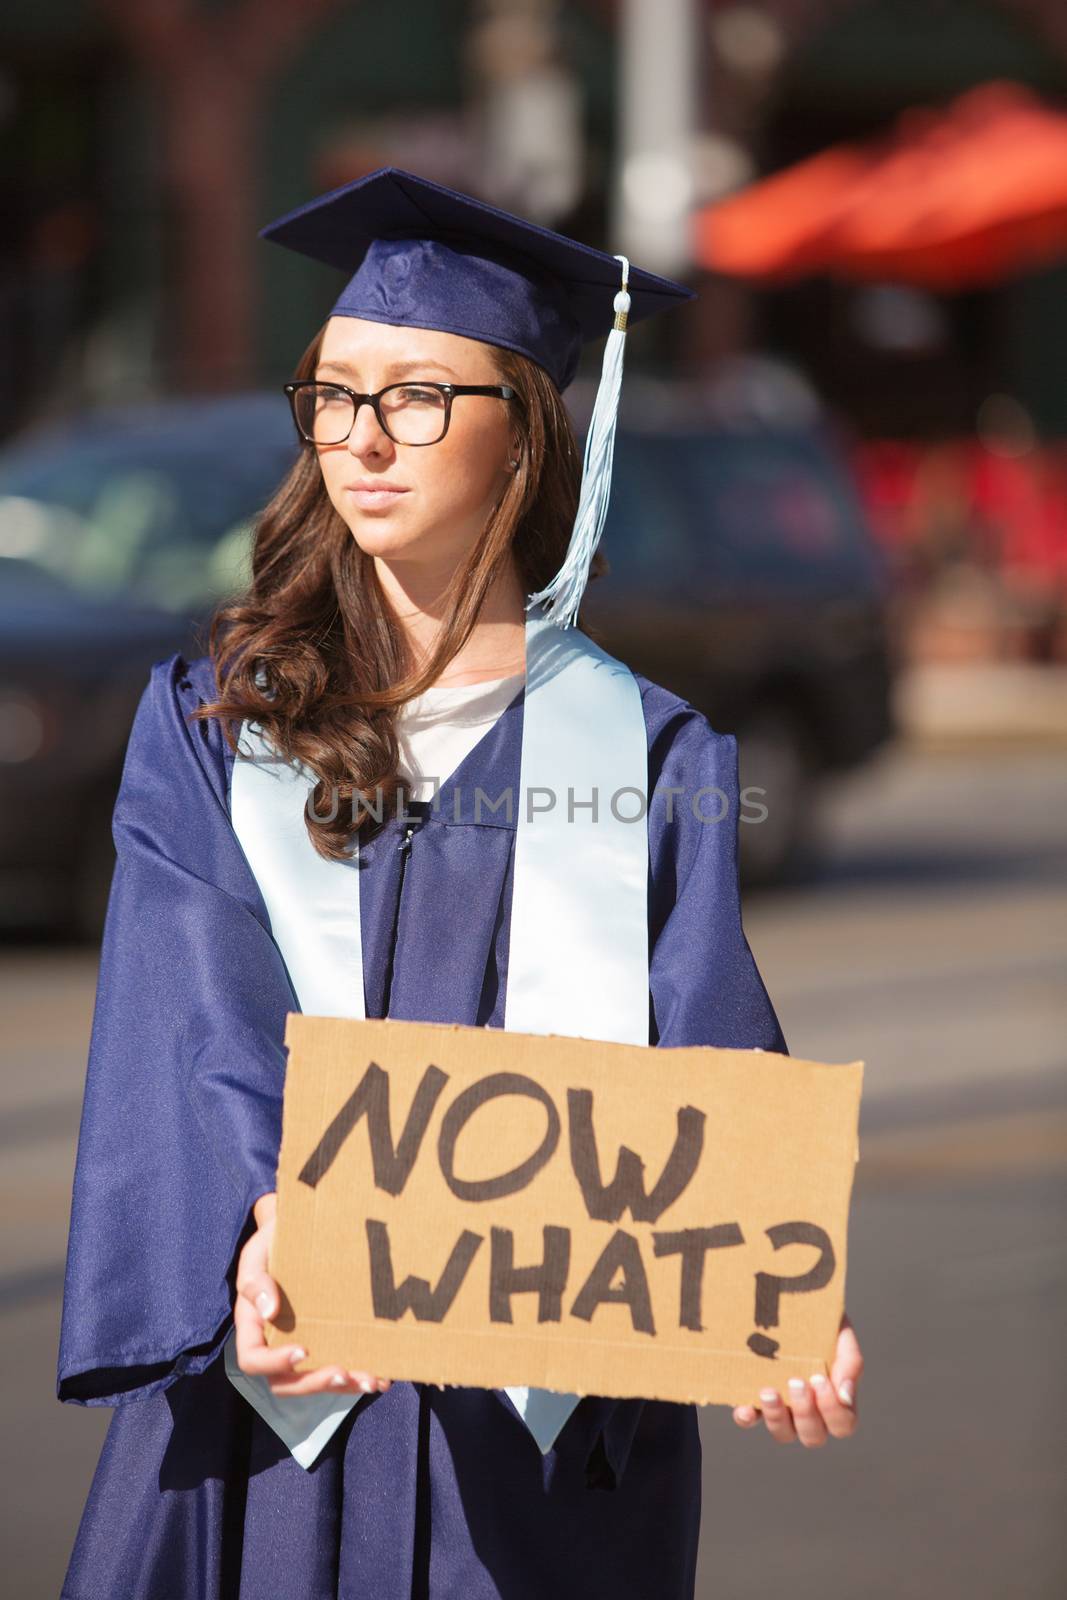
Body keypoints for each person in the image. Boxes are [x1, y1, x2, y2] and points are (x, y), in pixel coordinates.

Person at [56, 167, 863, 1600]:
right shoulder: (213, 728)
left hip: (533, 1452)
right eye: (334, 395)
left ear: (528, 439)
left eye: (421, 396)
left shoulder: (648, 750)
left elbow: (707, 1061)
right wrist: (265, 1231)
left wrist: (780, 1295)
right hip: (276, 1394)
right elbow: (189, 1023)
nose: (363, 437)